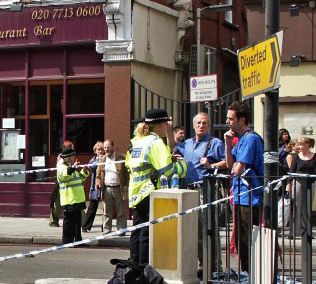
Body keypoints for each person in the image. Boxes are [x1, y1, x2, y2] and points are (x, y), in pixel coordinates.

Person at [126, 109, 187, 265]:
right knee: (148, 231)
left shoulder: (136, 141)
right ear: (159, 126)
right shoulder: (155, 142)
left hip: (136, 191)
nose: (168, 126)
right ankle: (145, 268)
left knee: (137, 230)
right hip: (149, 190)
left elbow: (130, 164)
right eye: (166, 123)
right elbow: (167, 170)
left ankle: (135, 265)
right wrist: (183, 166)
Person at [179, 112, 226, 274]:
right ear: (193, 126)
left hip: (206, 189)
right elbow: (172, 148)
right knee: (196, 230)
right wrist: (169, 130)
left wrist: (211, 165)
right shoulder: (187, 143)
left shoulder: (216, 143)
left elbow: (227, 162)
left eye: (204, 123)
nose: (201, 126)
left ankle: (215, 267)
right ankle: (203, 264)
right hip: (189, 189)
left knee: (210, 227)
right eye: (198, 123)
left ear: (209, 125)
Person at [224, 101, 264, 274]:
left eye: (230, 118)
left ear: (242, 120)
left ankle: (252, 272)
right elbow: (229, 164)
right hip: (241, 194)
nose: (227, 122)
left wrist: (234, 168)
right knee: (240, 237)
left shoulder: (251, 139)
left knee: (247, 237)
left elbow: (238, 169)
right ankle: (248, 271)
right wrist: (227, 143)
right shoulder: (240, 140)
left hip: (250, 196)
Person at [57, 146, 89, 244]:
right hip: (69, 199)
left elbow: (80, 178)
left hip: (77, 198)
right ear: (66, 157)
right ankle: (67, 241)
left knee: (77, 221)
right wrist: (73, 168)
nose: (73, 157)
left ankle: (77, 240)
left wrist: (84, 171)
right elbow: (65, 174)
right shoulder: (62, 166)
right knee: (69, 222)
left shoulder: (71, 166)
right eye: (71, 156)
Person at [96, 139, 128, 233]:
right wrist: (98, 183)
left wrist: (126, 185)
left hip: (119, 188)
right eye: (105, 147)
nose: (106, 149)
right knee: (106, 211)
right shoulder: (102, 159)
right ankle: (106, 229)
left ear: (112, 147)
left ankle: (121, 229)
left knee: (121, 211)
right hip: (107, 189)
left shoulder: (121, 157)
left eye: (108, 147)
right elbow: (98, 174)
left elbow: (126, 173)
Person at [49, 139, 74, 227]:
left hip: (69, 183)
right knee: (57, 203)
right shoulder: (61, 158)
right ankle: (53, 221)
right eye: (71, 146)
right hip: (61, 183)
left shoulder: (71, 157)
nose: (73, 148)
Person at [81, 141, 104, 232]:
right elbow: (92, 168)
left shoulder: (106, 159)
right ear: (95, 150)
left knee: (106, 208)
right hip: (95, 187)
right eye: (98, 150)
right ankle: (86, 226)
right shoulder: (93, 160)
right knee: (92, 207)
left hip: (105, 185)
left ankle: (105, 227)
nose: (100, 151)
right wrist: (100, 160)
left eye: (102, 150)